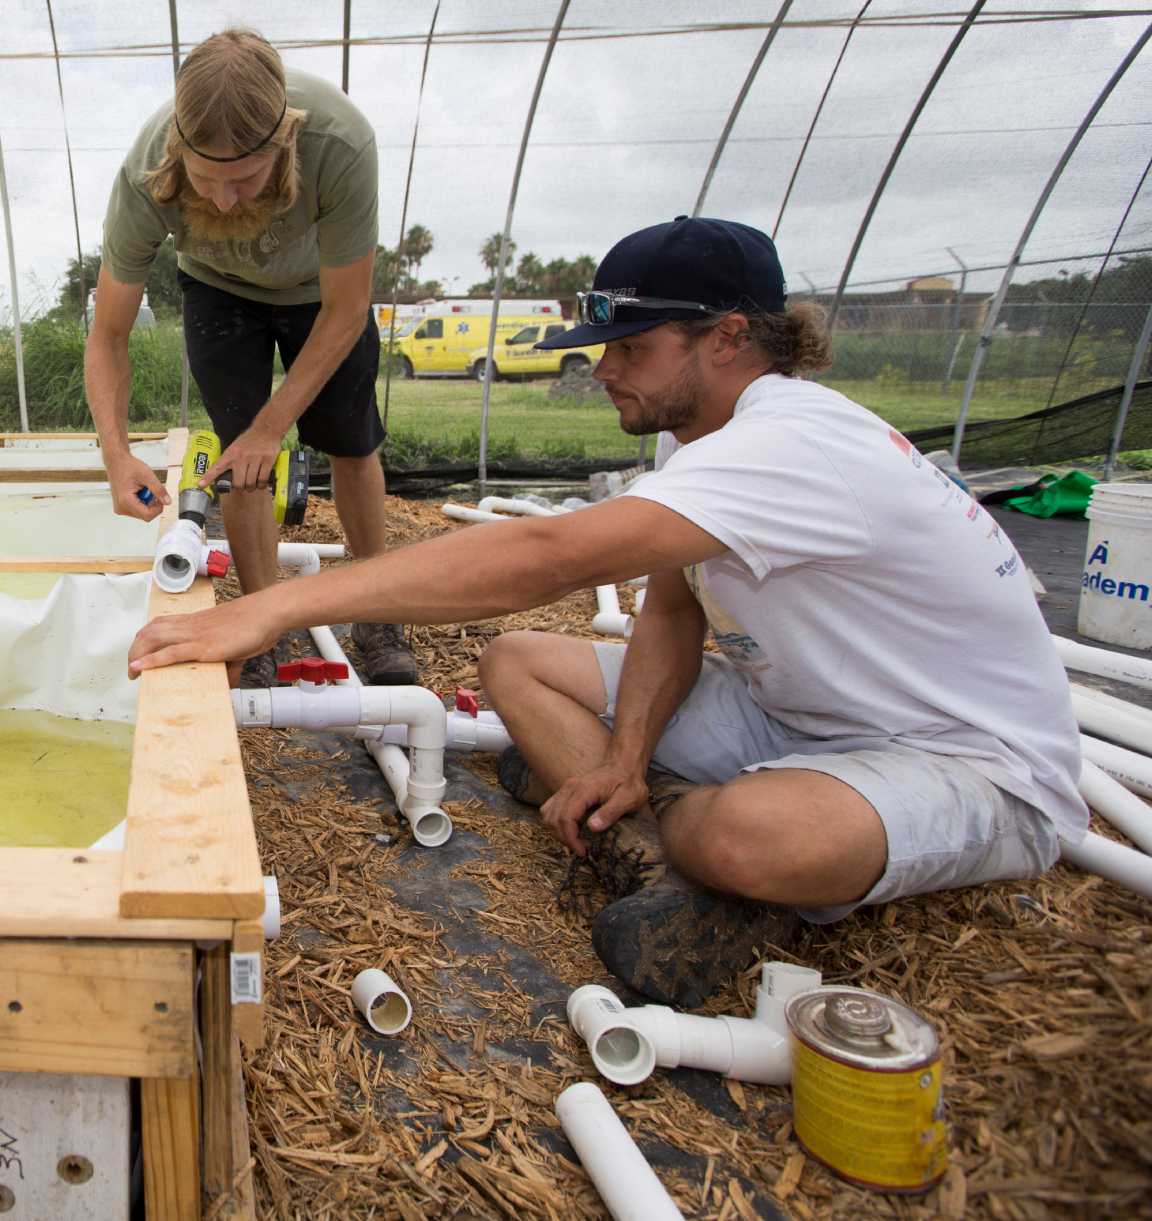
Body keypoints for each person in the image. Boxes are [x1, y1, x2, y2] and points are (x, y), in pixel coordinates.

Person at [126, 216, 1085, 1007]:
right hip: (794, 713)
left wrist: (272, 609)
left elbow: (546, 556)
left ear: (729, 338)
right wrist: (628, 752)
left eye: (630, 349)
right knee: (515, 665)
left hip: (963, 755)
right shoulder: (701, 440)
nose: (605, 372)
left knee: (742, 835)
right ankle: (654, 849)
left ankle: (698, 849)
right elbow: (675, 605)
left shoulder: (794, 442)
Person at [85, 27, 416, 686]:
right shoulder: (146, 171)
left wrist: (278, 427)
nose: (224, 198)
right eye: (206, 179)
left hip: (317, 296)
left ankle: (378, 611)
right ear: (179, 153)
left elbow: (347, 307)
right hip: (216, 290)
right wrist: (116, 453)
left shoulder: (341, 143)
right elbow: (109, 334)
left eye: (245, 179)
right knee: (240, 447)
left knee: (351, 441)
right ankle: (262, 619)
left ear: (287, 139)